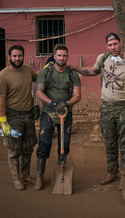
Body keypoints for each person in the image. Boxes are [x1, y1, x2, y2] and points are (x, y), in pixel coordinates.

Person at [69, 33, 125, 186]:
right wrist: (75, 68)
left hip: (124, 107)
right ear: (106, 46)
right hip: (107, 107)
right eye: (109, 45)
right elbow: (93, 71)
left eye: (115, 44)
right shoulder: (102, 59)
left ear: (120, 43)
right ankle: (112, 171)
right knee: (109, 141)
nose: (112, 47)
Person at [34, 44, 81, 191]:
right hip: (48, 112)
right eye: (59, 55)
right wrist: (53, 103)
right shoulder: (46, 72)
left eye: (64, 55)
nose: (61, 58)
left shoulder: (72, 74)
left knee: (64, 144)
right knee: (44, 143)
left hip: (65, 113)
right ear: (55, 57)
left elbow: (78, 95)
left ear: (67, 57)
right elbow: (38, 92)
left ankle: (62, 172)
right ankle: (39, 177)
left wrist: (65, 104)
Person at [0, 45, 38, 191]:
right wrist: (4, 122)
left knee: (28, 147)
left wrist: (50, 66)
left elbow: (39, 77)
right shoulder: (3, 76)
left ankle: (25, 174)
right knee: (14, 149)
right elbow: (0, 101)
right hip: (13, 117)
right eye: (14, 56)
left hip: (28, 115)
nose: (17, 59)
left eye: (20, 56)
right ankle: (16, 178)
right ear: (9, 57)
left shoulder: (27, 70)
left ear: (23, 56)